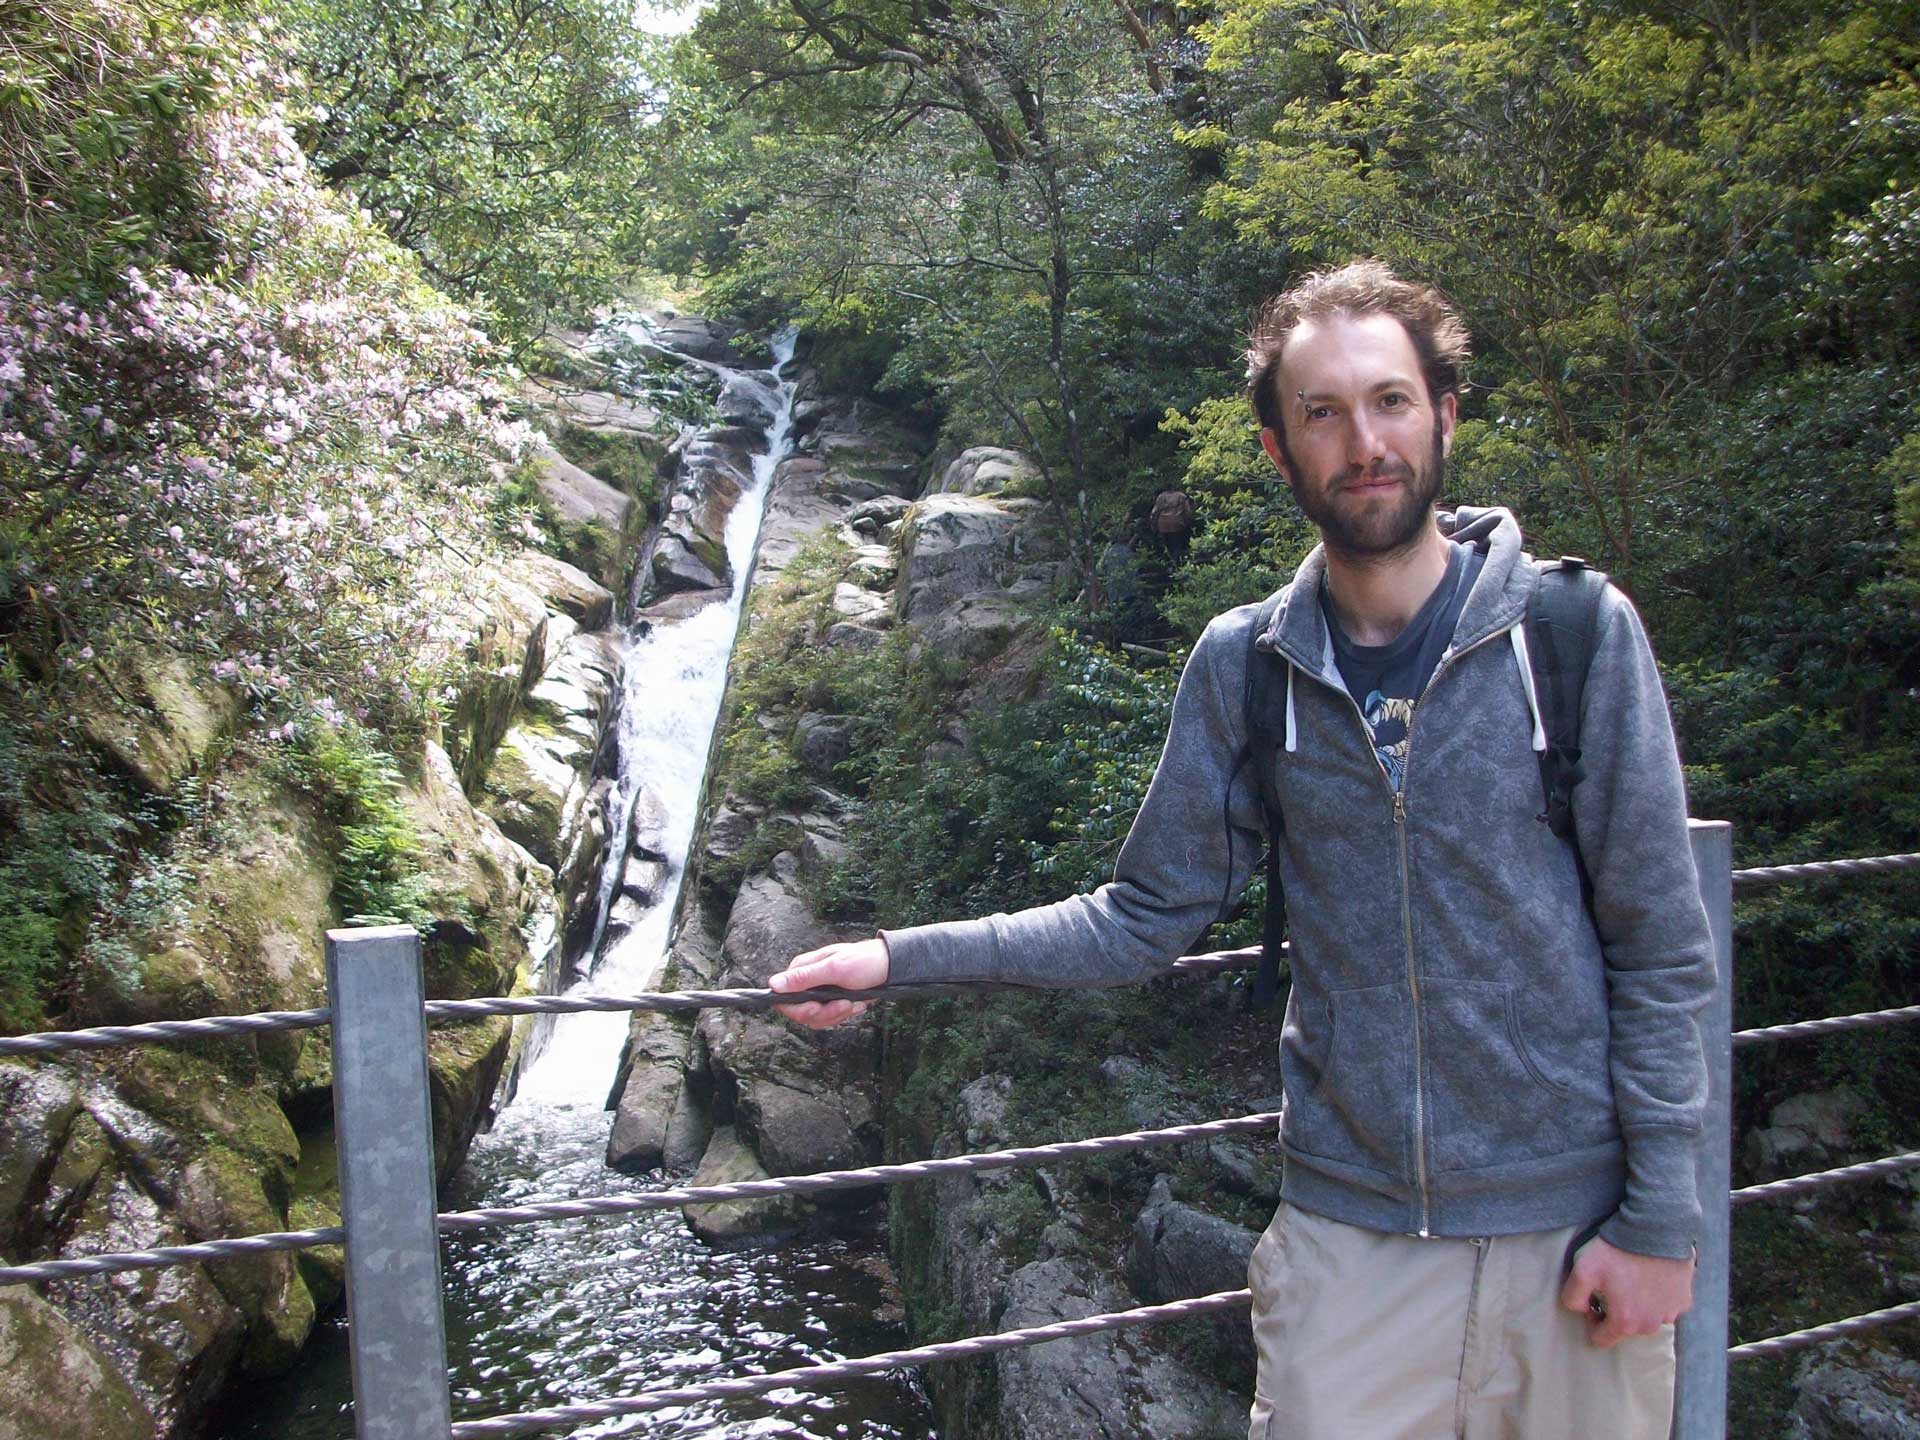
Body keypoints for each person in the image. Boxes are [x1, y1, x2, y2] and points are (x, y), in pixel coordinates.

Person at [768, 260, 1713, 1439]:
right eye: (1322, 413)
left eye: (1390, 401)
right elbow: (1139, 918)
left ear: (1445, 417)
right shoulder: (1247, 664)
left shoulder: (1571, 636)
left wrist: (1660, 1223)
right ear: (1279, 450)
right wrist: (895, 958)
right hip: (1350, 1245)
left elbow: (1663, 947)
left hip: (1574, 1236)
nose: (1362, 440)